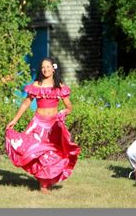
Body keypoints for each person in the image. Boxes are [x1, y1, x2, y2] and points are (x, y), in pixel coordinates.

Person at [5, 57, 81, 194]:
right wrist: (14, 120)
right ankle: (43, 185)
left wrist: (63, 114)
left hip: (53, 126)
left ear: (53, 68)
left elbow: (69, 107)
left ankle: (45, 183)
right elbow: (25, 103)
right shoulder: (37, 85)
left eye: (48, 67)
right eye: (42, 67)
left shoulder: (60, 87)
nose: (45, 69)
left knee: (52, 154)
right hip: (38, 124)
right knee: (37, 152)